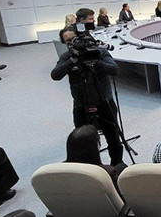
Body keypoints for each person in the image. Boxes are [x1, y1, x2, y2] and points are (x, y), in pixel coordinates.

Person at [51, 9, 125, 166]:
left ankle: (117, 165)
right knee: (83, 141)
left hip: (104, 101)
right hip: (81, 104)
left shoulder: (99, 52)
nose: (71, 43)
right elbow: (55, 75)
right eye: (68, 42)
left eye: (73, 39)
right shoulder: (67, 57)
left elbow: (115, 70)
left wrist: (97, 63)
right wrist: (72, 60)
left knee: (113, 137)